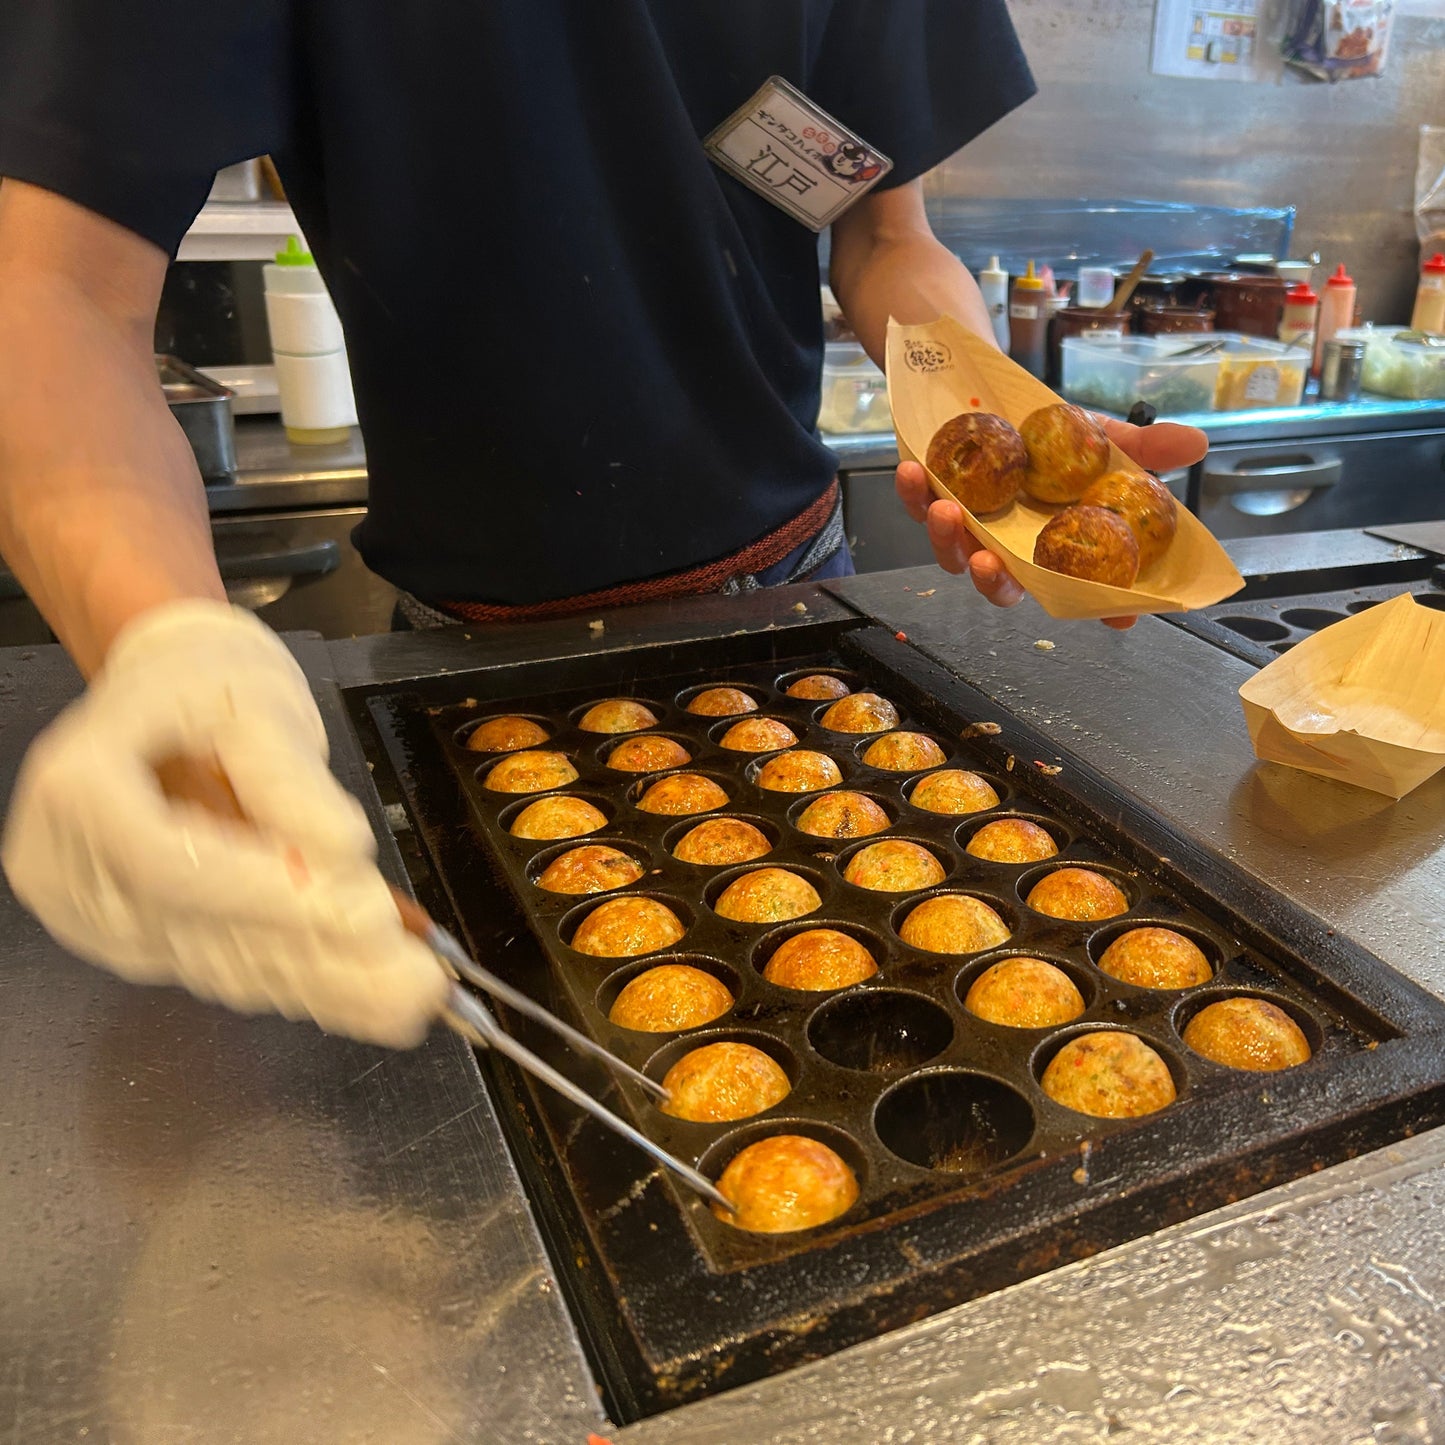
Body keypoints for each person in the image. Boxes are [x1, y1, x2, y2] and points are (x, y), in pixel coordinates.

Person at [0, 2, 1205, 1048]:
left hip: (799, 602)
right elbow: (52, 290)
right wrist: (165, 653)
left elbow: (886, 236)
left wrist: (986, 417)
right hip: (470, 656)